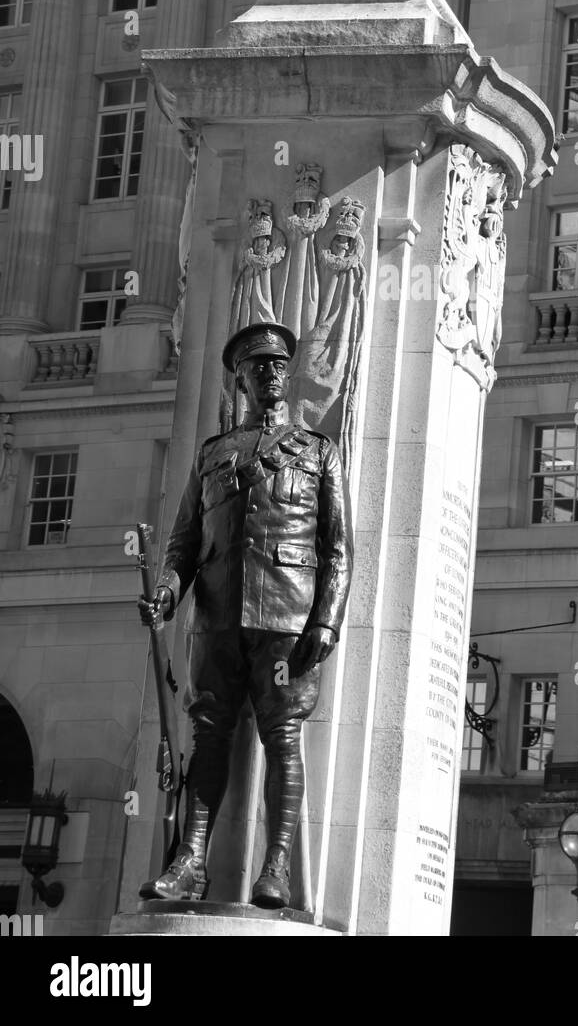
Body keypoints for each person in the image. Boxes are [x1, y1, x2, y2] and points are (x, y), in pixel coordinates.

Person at [137, 322, 352, 907]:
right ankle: (189, 863)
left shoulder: (317, 452)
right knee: (208, 736)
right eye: (259, 368)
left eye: (279, 365)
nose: (271, 375)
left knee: (283, 737)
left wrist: (327, 620)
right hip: (218, 620)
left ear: (289, 374)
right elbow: (184, 542)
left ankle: (276, 866)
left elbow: (338, 547)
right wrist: (165, 591)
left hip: (286, 623)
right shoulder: (213, 455)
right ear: (242, 379)